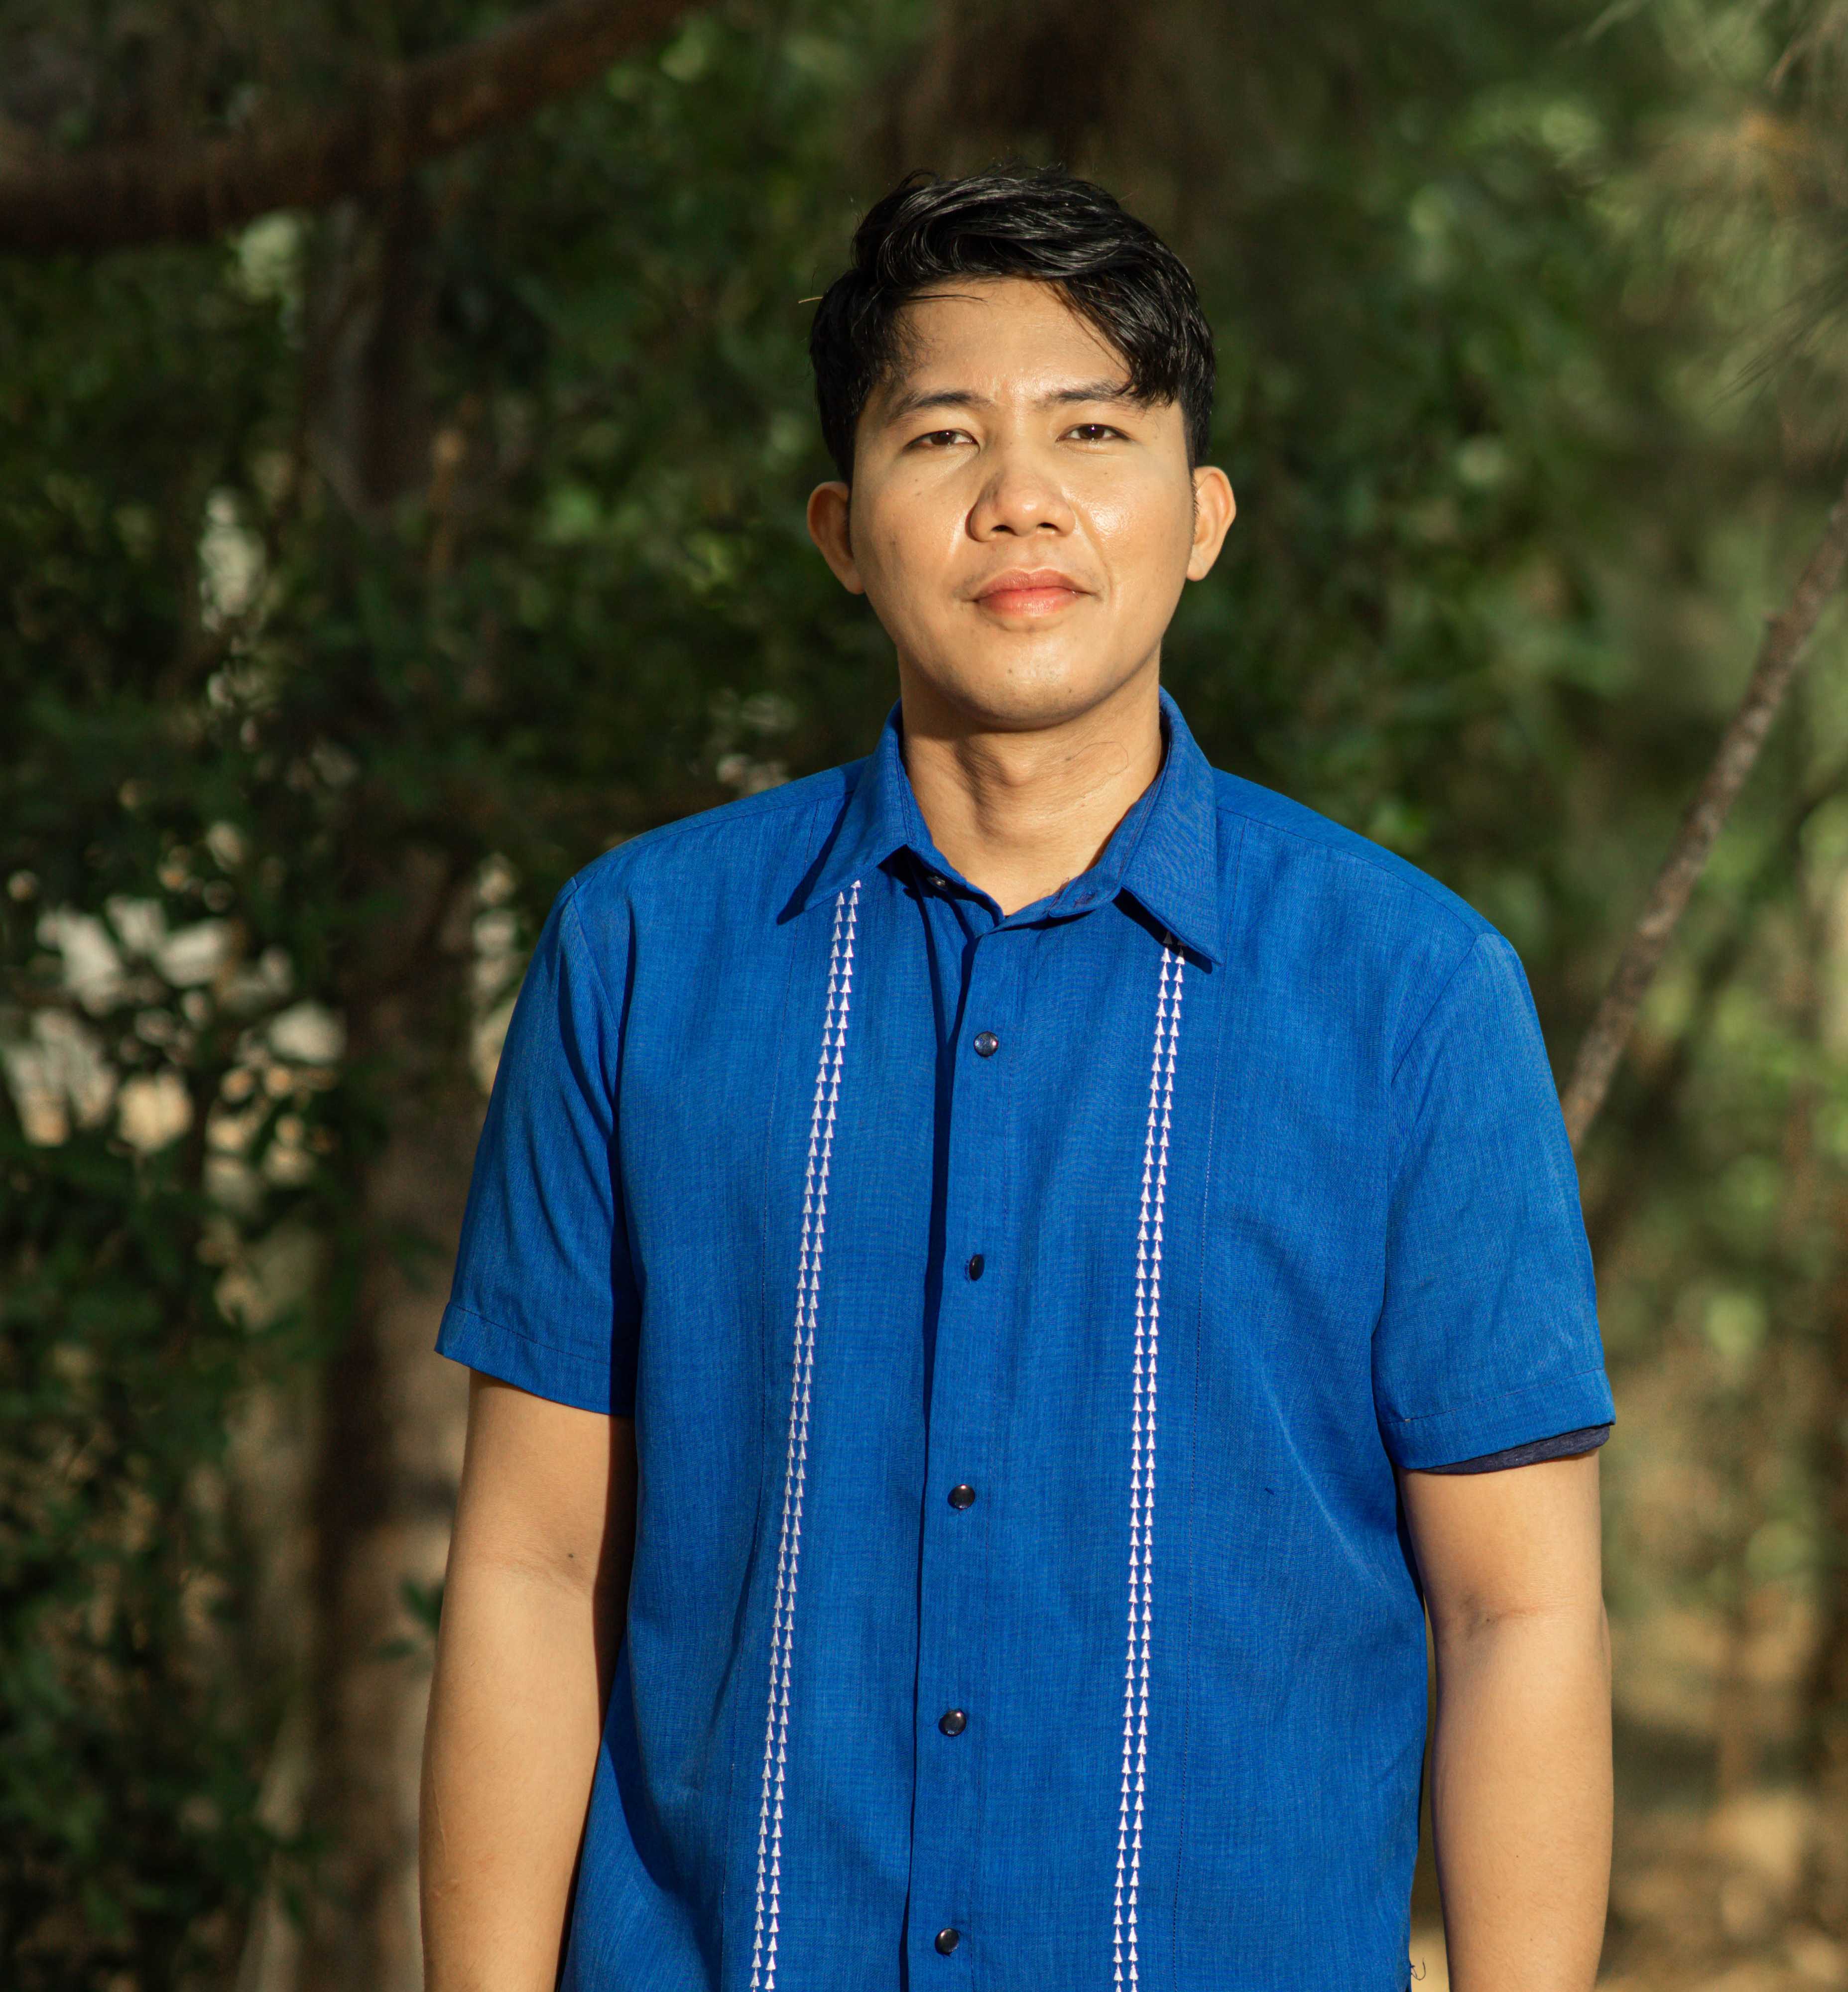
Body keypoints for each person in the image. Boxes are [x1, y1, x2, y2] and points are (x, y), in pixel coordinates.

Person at [419, 165, 1614, 1992]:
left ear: (1203, 517)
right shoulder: (643, 953)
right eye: (944, 435)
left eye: (1092, 430)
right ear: (841, 529)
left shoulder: (1415, 995)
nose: (1021, 498)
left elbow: (1514, 1609)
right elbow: (530, 1567)